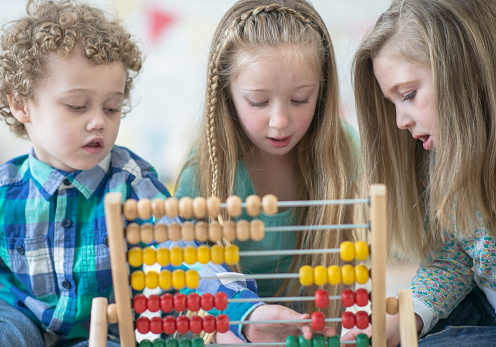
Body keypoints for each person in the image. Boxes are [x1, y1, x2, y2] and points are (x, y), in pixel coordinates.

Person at [173, 0, 359, 344]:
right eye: (258, 102)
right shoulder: (206, 169)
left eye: (301, 98)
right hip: (235, 329)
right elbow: (184, 269)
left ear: (323, 91)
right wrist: (239, 320)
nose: (280, 121)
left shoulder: (346, 154)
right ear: (227, 97)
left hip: (320, 329)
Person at [0, 1, 173, 346]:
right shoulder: (6, 188)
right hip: (20, 317)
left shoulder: (134, 184)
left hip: (106, 330)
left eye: (112, 107)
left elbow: (183, 251)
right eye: (77, 106)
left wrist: (243, 313)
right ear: (21, 104)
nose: (99, 121)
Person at [343, 0, 496, 346]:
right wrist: (410, 315)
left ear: (468, 66)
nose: (400, 121)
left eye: (409, 94)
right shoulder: (442, 157)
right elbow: (459, 253)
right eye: (393, 103)